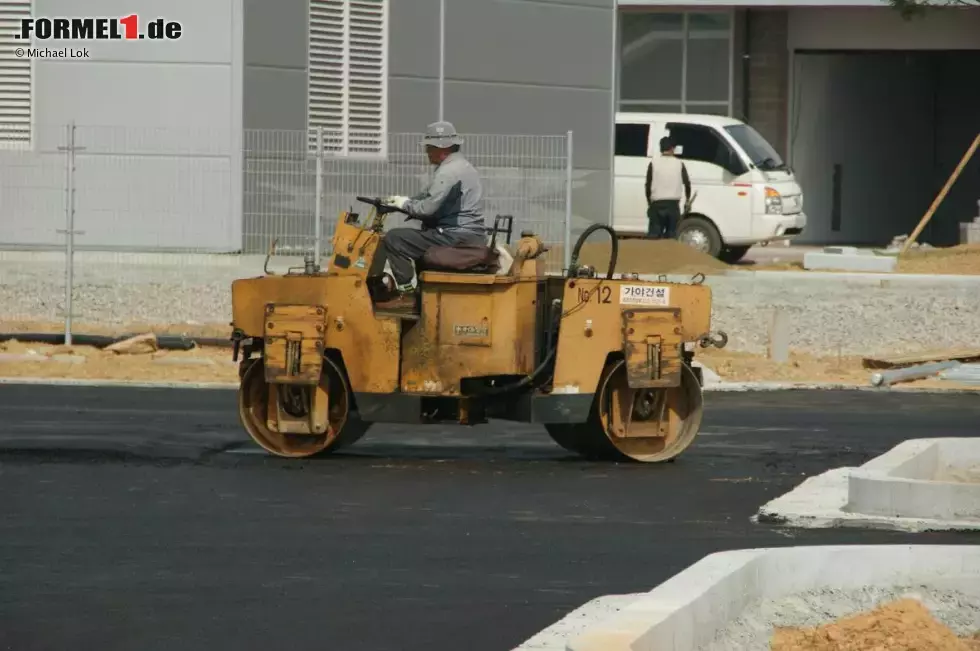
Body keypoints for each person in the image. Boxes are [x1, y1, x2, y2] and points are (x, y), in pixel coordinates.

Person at [374, 120, 488, 313]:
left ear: (440, 147)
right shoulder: (460, 166)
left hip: (455, 237)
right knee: (420, 235)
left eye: (429, 147)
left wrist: (404, 204)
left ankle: (408, 296)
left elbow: (427, 208)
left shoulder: (449, 171)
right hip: (466, 235)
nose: (426, 152)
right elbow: (426, 197)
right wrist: (401, 203)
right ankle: (420, 294)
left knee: (395, 238)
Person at [644, 136, 691, 240]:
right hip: (673, 206)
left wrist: (649, 203)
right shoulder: (679, 163)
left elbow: (648, 185)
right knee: (671, 237)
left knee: (654, 237)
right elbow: (687, 183)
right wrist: (687, 201)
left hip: (656, 205)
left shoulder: (653, 163)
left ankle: (653, 255)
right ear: (672, 148)